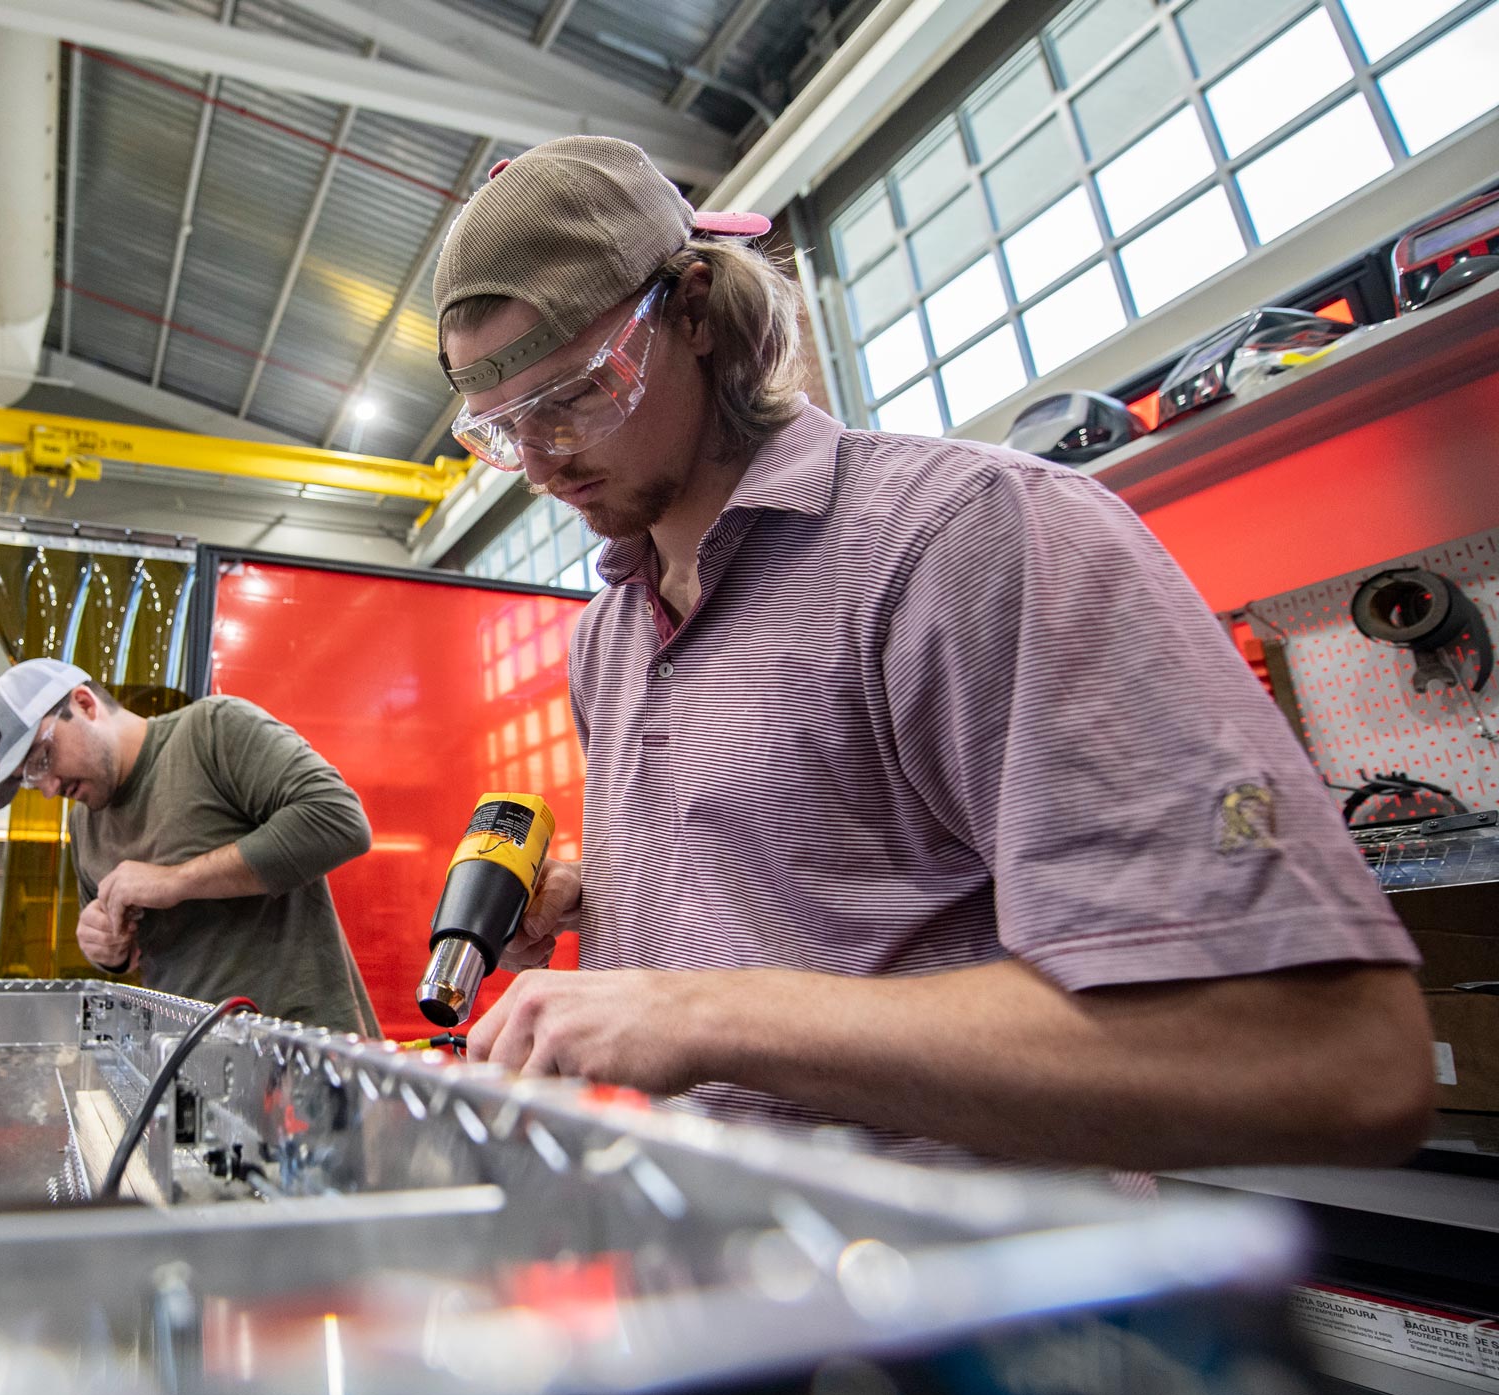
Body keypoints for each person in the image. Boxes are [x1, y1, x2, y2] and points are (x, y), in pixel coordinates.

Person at [433, 136, 1430, 1170]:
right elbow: (847, 878)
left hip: (977, 1310)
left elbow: (1329, 1048)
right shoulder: (609, 635)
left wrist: (708, 1010)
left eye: (578, 395)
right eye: (501, 430)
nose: (542, 463)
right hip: (716, 1301)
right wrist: (611, 894)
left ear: (693, 310)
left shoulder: (966, 538)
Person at [0, 659, 380, 1035]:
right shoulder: (84, 821)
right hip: (191, 1064)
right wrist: (107, 949)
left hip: (303, 1053)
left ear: (84, 704)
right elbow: (126, 945)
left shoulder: (212, 731)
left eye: (42, 758)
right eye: (29, 778)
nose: (48, 788)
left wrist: (175, 881)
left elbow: (339, 819)